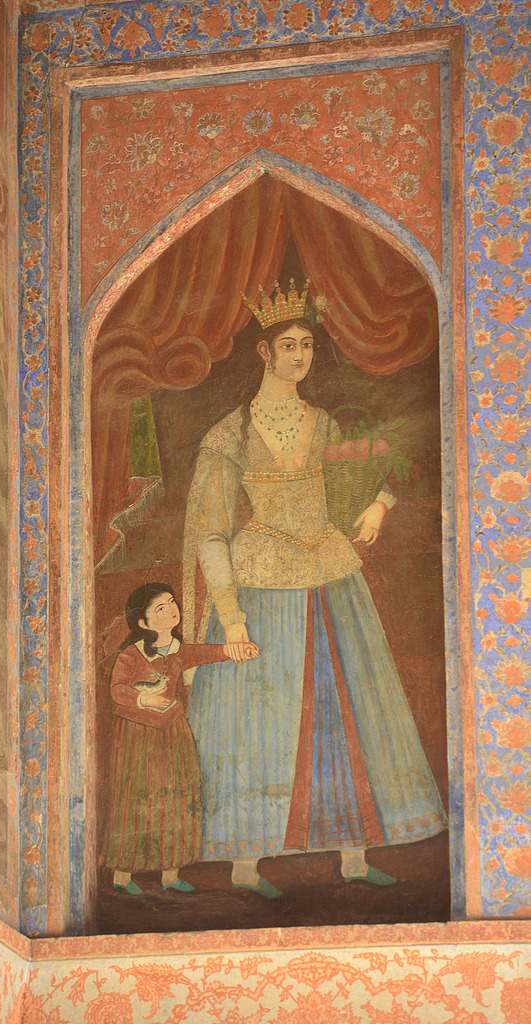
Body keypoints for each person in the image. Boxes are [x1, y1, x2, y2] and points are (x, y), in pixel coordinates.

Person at [183, 280, 447, 898]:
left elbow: (377, 467)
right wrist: (232, 617)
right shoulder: (227, 436)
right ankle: (246, 864)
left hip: (331, 577)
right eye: (289, 345)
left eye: (307, 345)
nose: (300, 355)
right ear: (264, 352)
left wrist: (380, 503)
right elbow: (211, 533)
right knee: (257, 718)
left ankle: (353, 856)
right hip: (260, 583)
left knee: (345, 707)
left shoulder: (325, 422)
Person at [103, 583, 259, 894]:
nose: (171, 609)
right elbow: (116, 690)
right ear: (143, 622)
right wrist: (143, 699)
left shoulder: (177, 649)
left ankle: (170, 877)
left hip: (173, 731)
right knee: (135, 802)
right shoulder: (131, 655)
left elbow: (208, 652)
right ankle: (122, 878)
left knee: (176, 800)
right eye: (160, 608)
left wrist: (236, 650)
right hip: (136, 736)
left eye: (171, 602)